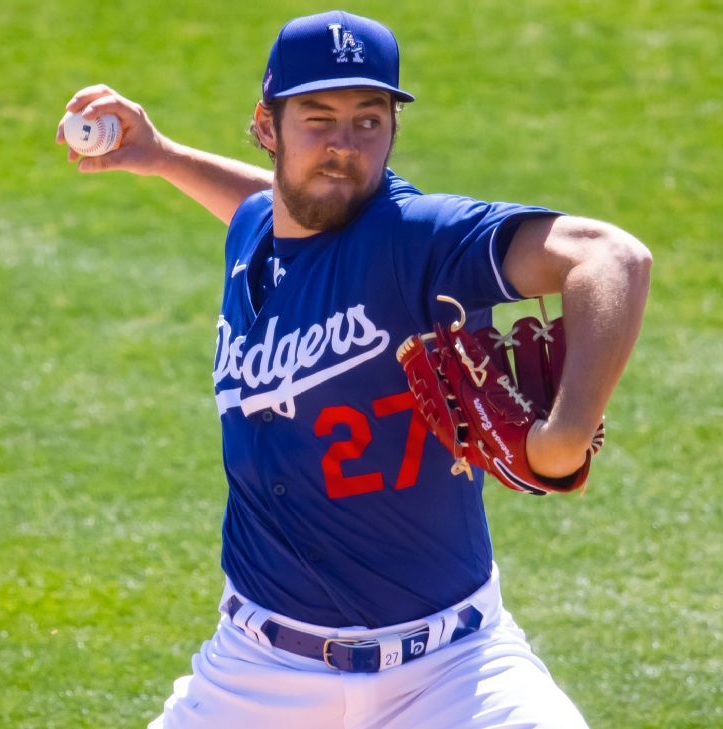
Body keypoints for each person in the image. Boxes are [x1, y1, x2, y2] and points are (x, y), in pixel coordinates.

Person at [56, 10, 650, 729]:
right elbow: (259, 204)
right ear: (268, 127)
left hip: (454, 673)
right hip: (255, 675)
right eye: (318, 118)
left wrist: (565, 434)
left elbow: (611, 256)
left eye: (369, 121)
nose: (343, 147)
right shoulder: (257, 233)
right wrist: (162, 155)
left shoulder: (416, 238)